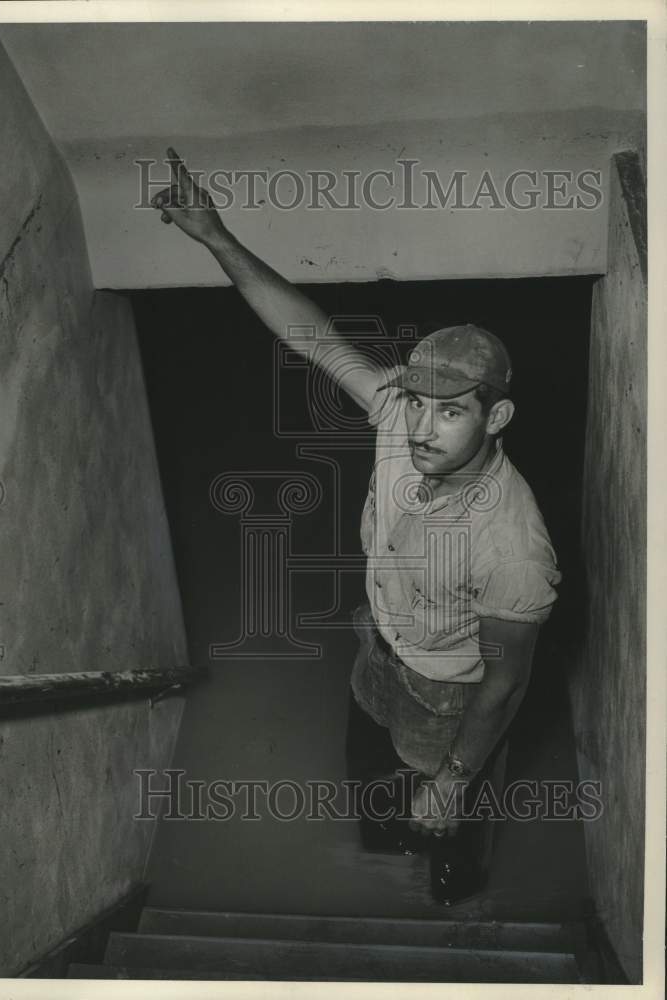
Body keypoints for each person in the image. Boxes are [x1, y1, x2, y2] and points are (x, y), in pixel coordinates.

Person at [151, 147, 562, 904]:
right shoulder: (397, 413)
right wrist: (215, 237)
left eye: (451, 411)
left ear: (495, 415)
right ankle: (390, 830)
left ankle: (452, 865)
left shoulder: (513, 547)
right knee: (371, 764)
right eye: (418, 402)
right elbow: (308, 333)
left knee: (448, 805)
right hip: (378, 644)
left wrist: (452, 779)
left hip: (450, 693)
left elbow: (504, 684)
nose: (422, 428)